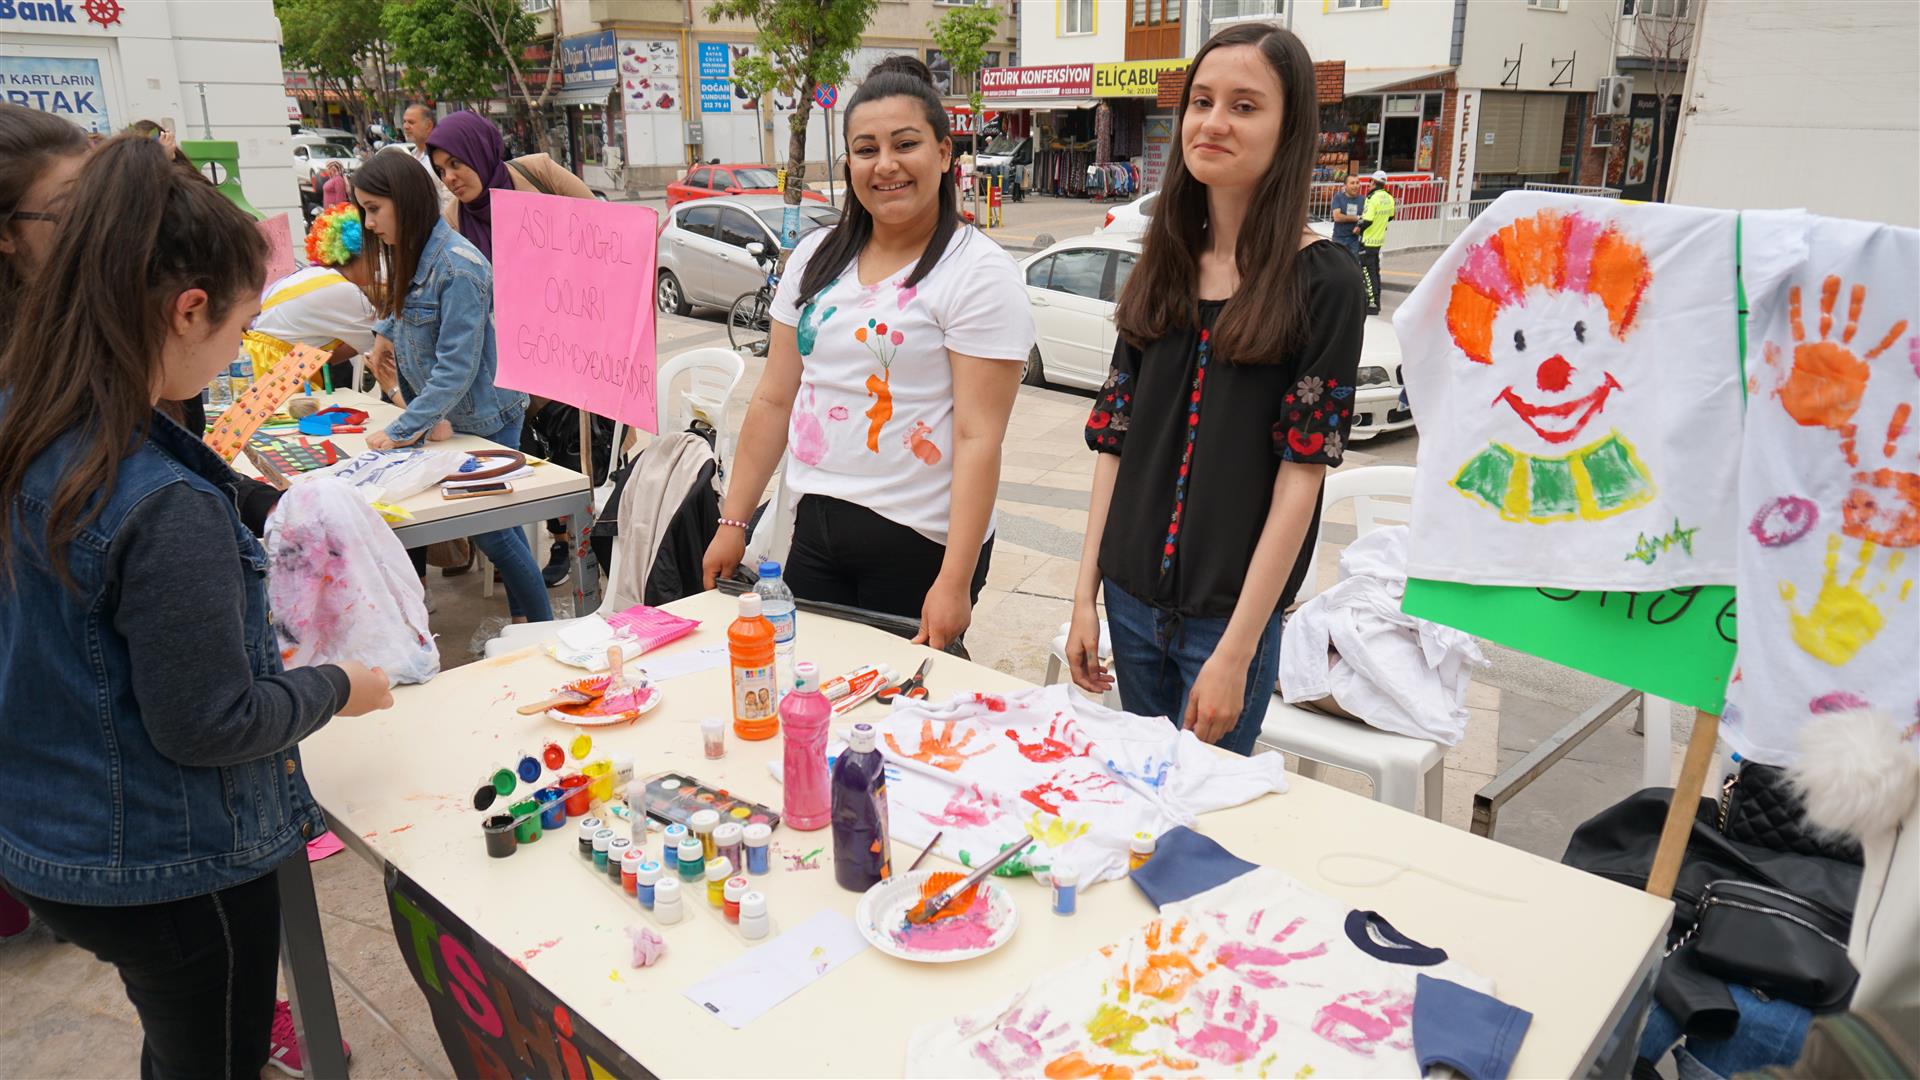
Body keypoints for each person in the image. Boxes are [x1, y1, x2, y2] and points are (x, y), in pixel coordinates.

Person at [0, 133, 394, 1079]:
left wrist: (263, 506)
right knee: (212, 1054)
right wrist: (342, 685)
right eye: (241, 327)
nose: (240, 353)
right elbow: (211, 721)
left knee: (183, 1041)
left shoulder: (33, 409)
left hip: (46, 830)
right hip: (168, 865)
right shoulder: (159, 506)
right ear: (187, 309)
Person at [1065, 22, 1365, 756]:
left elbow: (1302, 477)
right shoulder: (1161, 263)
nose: (1214, 122)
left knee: (1204, 808)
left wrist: (1237, 650)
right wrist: (1084, 596)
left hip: (1228, 620)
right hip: (1128, 600)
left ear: (1289, 128)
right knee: (1138, 794)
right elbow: (1114, 441)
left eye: (1244, 105)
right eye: (1201, 102)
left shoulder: (1324, 282)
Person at [700, 55, 1033, 647]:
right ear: (848, 162)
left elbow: (979, 437)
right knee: (808, 679)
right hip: (813, 525)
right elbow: (774, 399)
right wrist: (734, 520)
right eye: (865, 149)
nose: (885, 165)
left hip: (920, 541)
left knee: (900, 698)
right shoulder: (816, 257)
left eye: (905, 144)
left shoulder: (978, 272)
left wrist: (954, 580)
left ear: (944, 153)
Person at [350, 151, 553, 624]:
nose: (369, 223)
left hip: (485, 418)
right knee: (499, 529)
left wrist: (403, 427)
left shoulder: (460, 267)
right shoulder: (417, 252)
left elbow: (456, 368)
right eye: (364, 210)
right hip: (448, 416)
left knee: (493, 532)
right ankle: (527, 623)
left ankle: (540, 628)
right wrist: (385, 332)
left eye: (375, 209)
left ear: (405, 202)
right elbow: (409, 308)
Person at [425, 109, 599, 588]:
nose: (450, 177)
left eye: (456, 163)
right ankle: (538, 541)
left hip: (576, 333)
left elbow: (602, 225)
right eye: (440, 170)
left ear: (481, 152)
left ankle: (577, 540)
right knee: (530, 442)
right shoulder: (455, 219)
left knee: (574, 440)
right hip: (518, 349)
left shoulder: (537, 172)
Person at [399, 103, 455, 210]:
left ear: (428, 126)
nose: (405, 126)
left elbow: (450, 200)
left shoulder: (441, 158)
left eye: (411, 122)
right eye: (404, 121)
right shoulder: (410, 156)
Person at [1359, 168, 1394, 315]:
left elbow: (1367, 220)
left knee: (1368, 273)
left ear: (1373, 182)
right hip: (1378, 240)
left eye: (1370, 182)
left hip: (1367, 241)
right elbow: (1390, 217)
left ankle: (1372, 304)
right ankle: (1376, 302)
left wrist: (1358, 227)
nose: (1369, 184)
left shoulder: (1372, 198)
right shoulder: (1389, 198)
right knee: (1375, 272)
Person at [1329, 171, 1366, 259]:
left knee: (1353, 265)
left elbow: (1366, 217)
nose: (1355, 186)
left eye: (1357, 183)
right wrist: (1357, 218)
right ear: (1345, 186)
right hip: (1339, 239)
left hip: (1355, 240)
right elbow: (1337, 217)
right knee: (1338, 264)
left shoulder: (1363, 199)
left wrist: (1360, 226)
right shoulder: (1338, 197)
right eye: (1352, 183)